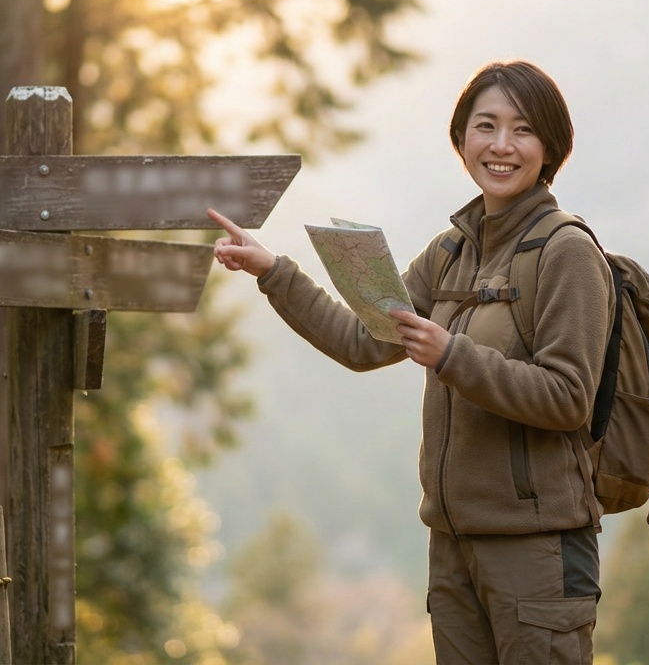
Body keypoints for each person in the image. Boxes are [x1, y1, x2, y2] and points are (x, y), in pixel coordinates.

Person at [208, 60, 615, 664]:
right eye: (486, 126)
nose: (501, 146)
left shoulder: (567, 252)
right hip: (452, 546)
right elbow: (361, 342)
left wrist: (452, 355)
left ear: (551, 147)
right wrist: (274, 272)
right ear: (461, 141)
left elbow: (568, 397)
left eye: (522, 129)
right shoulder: (450, 251)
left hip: (538, 553)